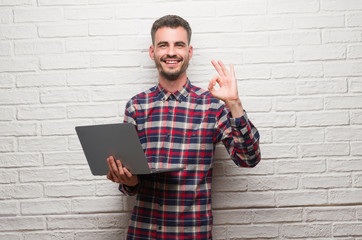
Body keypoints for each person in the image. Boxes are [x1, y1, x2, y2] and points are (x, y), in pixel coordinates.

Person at [106, 15, 261, 240]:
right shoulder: (136, 106)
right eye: (163, 45)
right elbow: (130, 184)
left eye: (179, 45)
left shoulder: (213, 105)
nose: (171, 52)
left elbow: (249, 159)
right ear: (152, 52)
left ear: (189, 51)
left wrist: (234, 103)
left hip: (192, 233)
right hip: (143, 232)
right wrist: (128, 181)